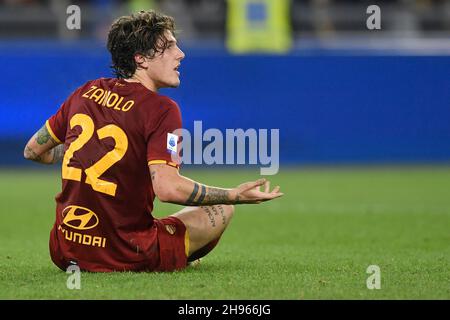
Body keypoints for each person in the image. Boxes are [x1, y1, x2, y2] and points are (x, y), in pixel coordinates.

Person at [23, 10, 283, 272]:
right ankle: (170, 253)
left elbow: (33, 150)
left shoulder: (85, 91)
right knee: (223, 210)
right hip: (124, 251)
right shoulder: (161, 109)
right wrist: (233, 194)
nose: (181, 54)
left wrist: (83, 152)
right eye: (169, 46)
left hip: (65, 249)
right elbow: (168, 189)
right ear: (141, 59)